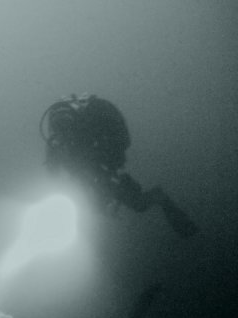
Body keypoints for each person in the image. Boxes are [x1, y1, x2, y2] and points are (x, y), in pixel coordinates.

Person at [40, 93, 198, 237]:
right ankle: (112, 201)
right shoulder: (59, 139)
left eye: (67, 130)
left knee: (136, 203)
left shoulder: (89, 125)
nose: (65, 135)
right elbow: (54, 166)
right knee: (99, 205)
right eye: (61, 132)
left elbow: (119, 142)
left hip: (104, 162)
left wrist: (103, 164)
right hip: (91, 169)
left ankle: (161, 200)